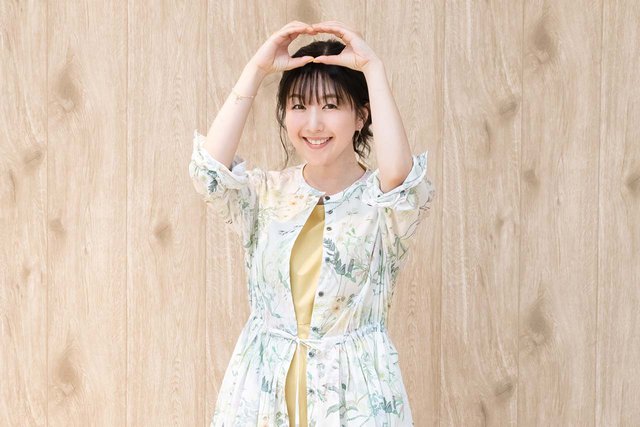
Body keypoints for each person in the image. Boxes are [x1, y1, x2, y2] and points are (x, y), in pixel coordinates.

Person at [189, 20, 435, 427]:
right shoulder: (266, 195)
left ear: (361, 116)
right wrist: (256, 69)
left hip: (355, 400)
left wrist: (373, 68)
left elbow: (402, 179)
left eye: (331, 105)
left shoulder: (382, 207)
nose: (314, 124)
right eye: (299, 106)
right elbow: (209, 172)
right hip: (261, 398)